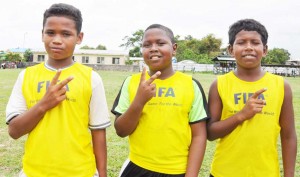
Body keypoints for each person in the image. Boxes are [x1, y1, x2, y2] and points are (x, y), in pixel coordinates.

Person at [6, 3, 111, 177]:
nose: (56, 39)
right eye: (50, 32)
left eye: (66, 34)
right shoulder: (26, 76)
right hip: (34, 172)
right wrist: (44, 104)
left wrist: (103, 173)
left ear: (79, 37)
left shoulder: (91, 78)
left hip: (80, 172)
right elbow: (14, 131)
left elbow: (98, 132)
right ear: (42, 34)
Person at [111, 24, 208, 177]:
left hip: (177, 170)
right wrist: (139, 100)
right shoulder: (131, 82)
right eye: (147, 45)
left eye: (160, 43)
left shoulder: (191, 85)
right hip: (137, 167)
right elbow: (121, 131)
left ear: (174, 48)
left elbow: (199, 135)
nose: (153, 48)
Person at [207, 19, 297, 177]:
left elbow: (288, 135)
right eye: (241, 42)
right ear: (230, 49)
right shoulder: (219, 84)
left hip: (266, 172)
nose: (249, 47)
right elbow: (210, 133)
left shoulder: (281, 86)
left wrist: (289, 175)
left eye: (255, 42)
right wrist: (241, 115)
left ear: (265, 49)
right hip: (224, 172)